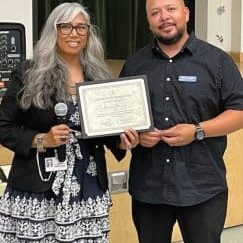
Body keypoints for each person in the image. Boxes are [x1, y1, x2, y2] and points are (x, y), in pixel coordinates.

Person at [0, 2, 138, 242]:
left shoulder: (98, 76)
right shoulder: (29, 74)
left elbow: (107, 131)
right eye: (66, 27)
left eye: (81, 27)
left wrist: (123, 142)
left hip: (88, 186)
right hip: (38, 188)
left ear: (88, 33)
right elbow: (4, 126)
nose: (74, 33)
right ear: (53, 31)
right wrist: (42, 139)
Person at [119, 0, 243, 242]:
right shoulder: (135, 64)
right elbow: (122, 121)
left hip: (203, 188)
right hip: (149, 189)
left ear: (186, 13)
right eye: (155, 13)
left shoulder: (217, 62)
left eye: (171, 9)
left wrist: (198, 131)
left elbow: (239, 111)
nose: (164, 17)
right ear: (148, 22)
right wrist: (135, 137)